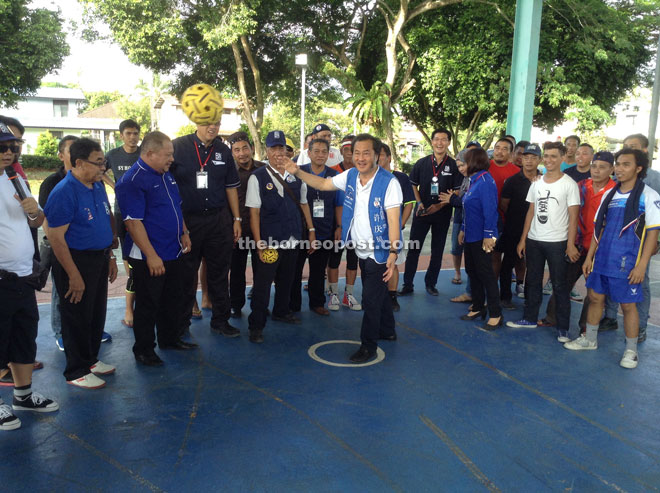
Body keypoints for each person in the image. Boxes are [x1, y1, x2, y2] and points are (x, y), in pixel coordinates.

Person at [285, 134, 402, 363]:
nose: (360, 158)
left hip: (380, 251)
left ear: (377, 156)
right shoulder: (350, 176)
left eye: (366, 153)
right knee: (375, 292)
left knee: (370, 299)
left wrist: (393, 253)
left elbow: (394, 221)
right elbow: (324, 183)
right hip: (360, 249)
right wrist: (297, 171)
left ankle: (368, 346)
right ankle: (387, 329)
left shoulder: (389, 183)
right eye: (357, 153)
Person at [564, 149, 660, 369]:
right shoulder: (611, 194)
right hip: (603, 259)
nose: (619, 168)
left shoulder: (649, 195)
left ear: (638, 168)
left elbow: (652, 234)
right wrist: (590, 258)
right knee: (595, 297)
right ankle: (590, 339)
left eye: (626, 164)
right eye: (618, 164)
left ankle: (631, 351)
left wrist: (641, 266)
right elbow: (600, 228)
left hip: (628, 262)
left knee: (628, 306)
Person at [44, 138, 118, 389]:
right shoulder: (64, 192)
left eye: (103, 162)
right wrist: (73, 275)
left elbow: (103, 221)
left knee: (95, 313)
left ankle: (90, 359)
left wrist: (109, 256)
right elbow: (56, 238)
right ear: (78, 163)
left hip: (98, 257)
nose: (103, 168)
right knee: (76, 315)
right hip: (75, 260)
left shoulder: (96, 186)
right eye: (98, 163)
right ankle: (75, 370)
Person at [116, 131, 194, 366]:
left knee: (173, 299)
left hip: (174, 250)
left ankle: (169, 339)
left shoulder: (165, 174)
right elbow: (132, 222)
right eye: (167, 154)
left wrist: (184, 232)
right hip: (149, 255)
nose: (172, 158)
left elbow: (176, 207)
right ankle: (144, 350)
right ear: (150, 153)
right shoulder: (132, 180)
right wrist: (151, 255)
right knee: (148, 304)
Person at [0, 122, 59, 430]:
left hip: (23, 275)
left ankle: (23, 395)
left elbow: (36, 222)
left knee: (24, 337)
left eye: (13, 146)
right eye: (2, 147)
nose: (9, 152)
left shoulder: (15, 178)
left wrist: (35, 211)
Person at [171, 120, 242, 339]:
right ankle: (180, 324)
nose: (212, 127)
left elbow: (231, 187)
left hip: (218, 220)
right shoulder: (178, 147)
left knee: (220, 273)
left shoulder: (223, 150)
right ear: (196, 121)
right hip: (188, 221)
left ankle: (221, 321)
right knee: (185, 274)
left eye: (217, 123)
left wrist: (236, 218)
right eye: (207, 122)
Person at [245, 131, 315, 343]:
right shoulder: (257, 177)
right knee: (263, 284)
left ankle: (281, 311)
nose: (277, 152)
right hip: (270, 242)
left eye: (281, 148)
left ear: (286, 149)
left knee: (287, 279)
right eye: (273, 148)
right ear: (266, 151)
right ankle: (256, 325)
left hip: (293, 238)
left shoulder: (297, 174)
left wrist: (311, 231)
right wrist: (258, 243)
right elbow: (254, 212)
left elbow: (304, 204)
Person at [507, 142, 580, 343]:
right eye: (546, 156)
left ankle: (563, 328)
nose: (549, 160)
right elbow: (531, 212)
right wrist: (523, 239)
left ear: (563, 158)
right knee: (532, 281)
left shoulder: (569, 184)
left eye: (553, 156)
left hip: (557, 242)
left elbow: (574, 217)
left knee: (560, 285)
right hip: (534, 241)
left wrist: (570, 244)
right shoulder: (536, 183)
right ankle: (529, 318)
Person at [542, 151, 616, 330]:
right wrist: (570, 244)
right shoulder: (580, 186)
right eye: (594, 166)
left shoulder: (616, 191)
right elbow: (568, 214)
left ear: (611, 170)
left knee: (594, 293)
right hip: (577, 246)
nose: (596, 171)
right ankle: (552, 317)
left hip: (601, 250)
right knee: (562, 284)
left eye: (602, 167)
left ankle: (586, 327)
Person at [400, 128, 462, 296]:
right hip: (422, 212)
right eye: (437, 139)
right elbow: (412, 185)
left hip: (442, 213)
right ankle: (407, 284)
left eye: (444, 139)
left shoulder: (454, 166)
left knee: (437, 250)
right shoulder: (421, 163)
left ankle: (431, 283)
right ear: (432, 142)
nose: (440, 142)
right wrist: (419, 203)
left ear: (449, 142)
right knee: (414, 248)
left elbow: (457, 191)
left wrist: (440, 205)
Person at [38, 135, 81, 351]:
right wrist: (58, 247)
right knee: (61, 290)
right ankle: (60, 332)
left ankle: (86, 330)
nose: (75, 154)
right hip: (61, 246)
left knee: (84, 290)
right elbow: (47, 220)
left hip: (83, 248)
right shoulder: (52, 183)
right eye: (70, 150)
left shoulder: (88, 180)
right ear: (60, 155)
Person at [290, 138, 340, 315]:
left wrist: (339, 227)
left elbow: (339, 204)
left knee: (318, 271)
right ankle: (293, 304)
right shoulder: (297, 172)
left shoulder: (335, 176)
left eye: (324, 151)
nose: (320, 155)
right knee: (294, 270)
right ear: (308, 153)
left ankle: (317, 303)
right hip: (300, 231)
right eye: (316, 151)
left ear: (328, 154)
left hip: (324, 230)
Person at [103, 119, 141, 330]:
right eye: (128, 133)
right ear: (121, 135)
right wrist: (114, 184)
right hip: (121, 211)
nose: (133, 137)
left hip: (144, 212)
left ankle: (140, 299)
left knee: (143, 254)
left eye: (135, 133)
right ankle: (131, 301)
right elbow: (100, 171)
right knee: (128, 258)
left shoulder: (145, 152)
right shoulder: (113, 155)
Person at [457, 148, 502, 329]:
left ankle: (496, 313)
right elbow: (468, 209)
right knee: (472, 271)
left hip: (482, 238)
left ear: (473, 162)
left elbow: (490, 211)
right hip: (470, 236)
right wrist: (462, 229)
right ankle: (477, 306)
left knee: (486, 275)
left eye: (464, 162)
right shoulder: (472, 181)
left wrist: (489, 235)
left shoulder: (485, 181)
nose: (461, 167)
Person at [498, 143, 542, 309]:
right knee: (508, 263)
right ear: (521, 159)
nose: (529, 161)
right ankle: (505, 297)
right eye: (526, 157)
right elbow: (504, 204)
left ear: (540, 160)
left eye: (533, 157)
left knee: (534, 265)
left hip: (538, 231)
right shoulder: (512, 181)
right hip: (513, 228)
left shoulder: (544, 180)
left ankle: (531, 300)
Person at [227, 132, 265, 318]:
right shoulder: (229, 172)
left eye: (244, 148)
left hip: (261, 231)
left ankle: (260, 304)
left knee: (262, 270)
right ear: (232, 152)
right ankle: (235, 305)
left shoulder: (264, 169)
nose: (241, 153)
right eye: (236, 150)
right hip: (238, 231)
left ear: (251, 148)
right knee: (237, 270)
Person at [378, 143, 415, 311]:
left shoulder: (400, 178)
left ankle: (392, 296)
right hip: (375, 230)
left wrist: (400, 223)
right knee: (373, 263)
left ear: (389, 158)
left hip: (393, 231)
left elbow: (409, 203)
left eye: (381, 155)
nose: (377, 158)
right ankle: (373, 295)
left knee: (394, 262)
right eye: (375, 154)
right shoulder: (368, 176)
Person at [327, 134, 361, 310]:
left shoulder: (364, 171)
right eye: (347, 150)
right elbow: (334, 202)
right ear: (342, 151)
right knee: (334, 259)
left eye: (353, 150)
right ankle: (333, 294)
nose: (350, 153)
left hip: (357, 225)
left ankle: (349, 294)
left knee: (353, 260)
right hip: (337, 224)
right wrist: (339, 225)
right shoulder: (333, 171)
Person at [440, 150, 472, 304]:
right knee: (462, 254)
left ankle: (483, 300)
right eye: (458, 165)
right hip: (465, 222)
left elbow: (468, 203)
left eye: (463, 164)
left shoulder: (481, 180)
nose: (460, 168)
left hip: (476, 228)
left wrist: (452, 199)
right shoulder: (468, 178)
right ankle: (472, 294)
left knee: (476, 264)